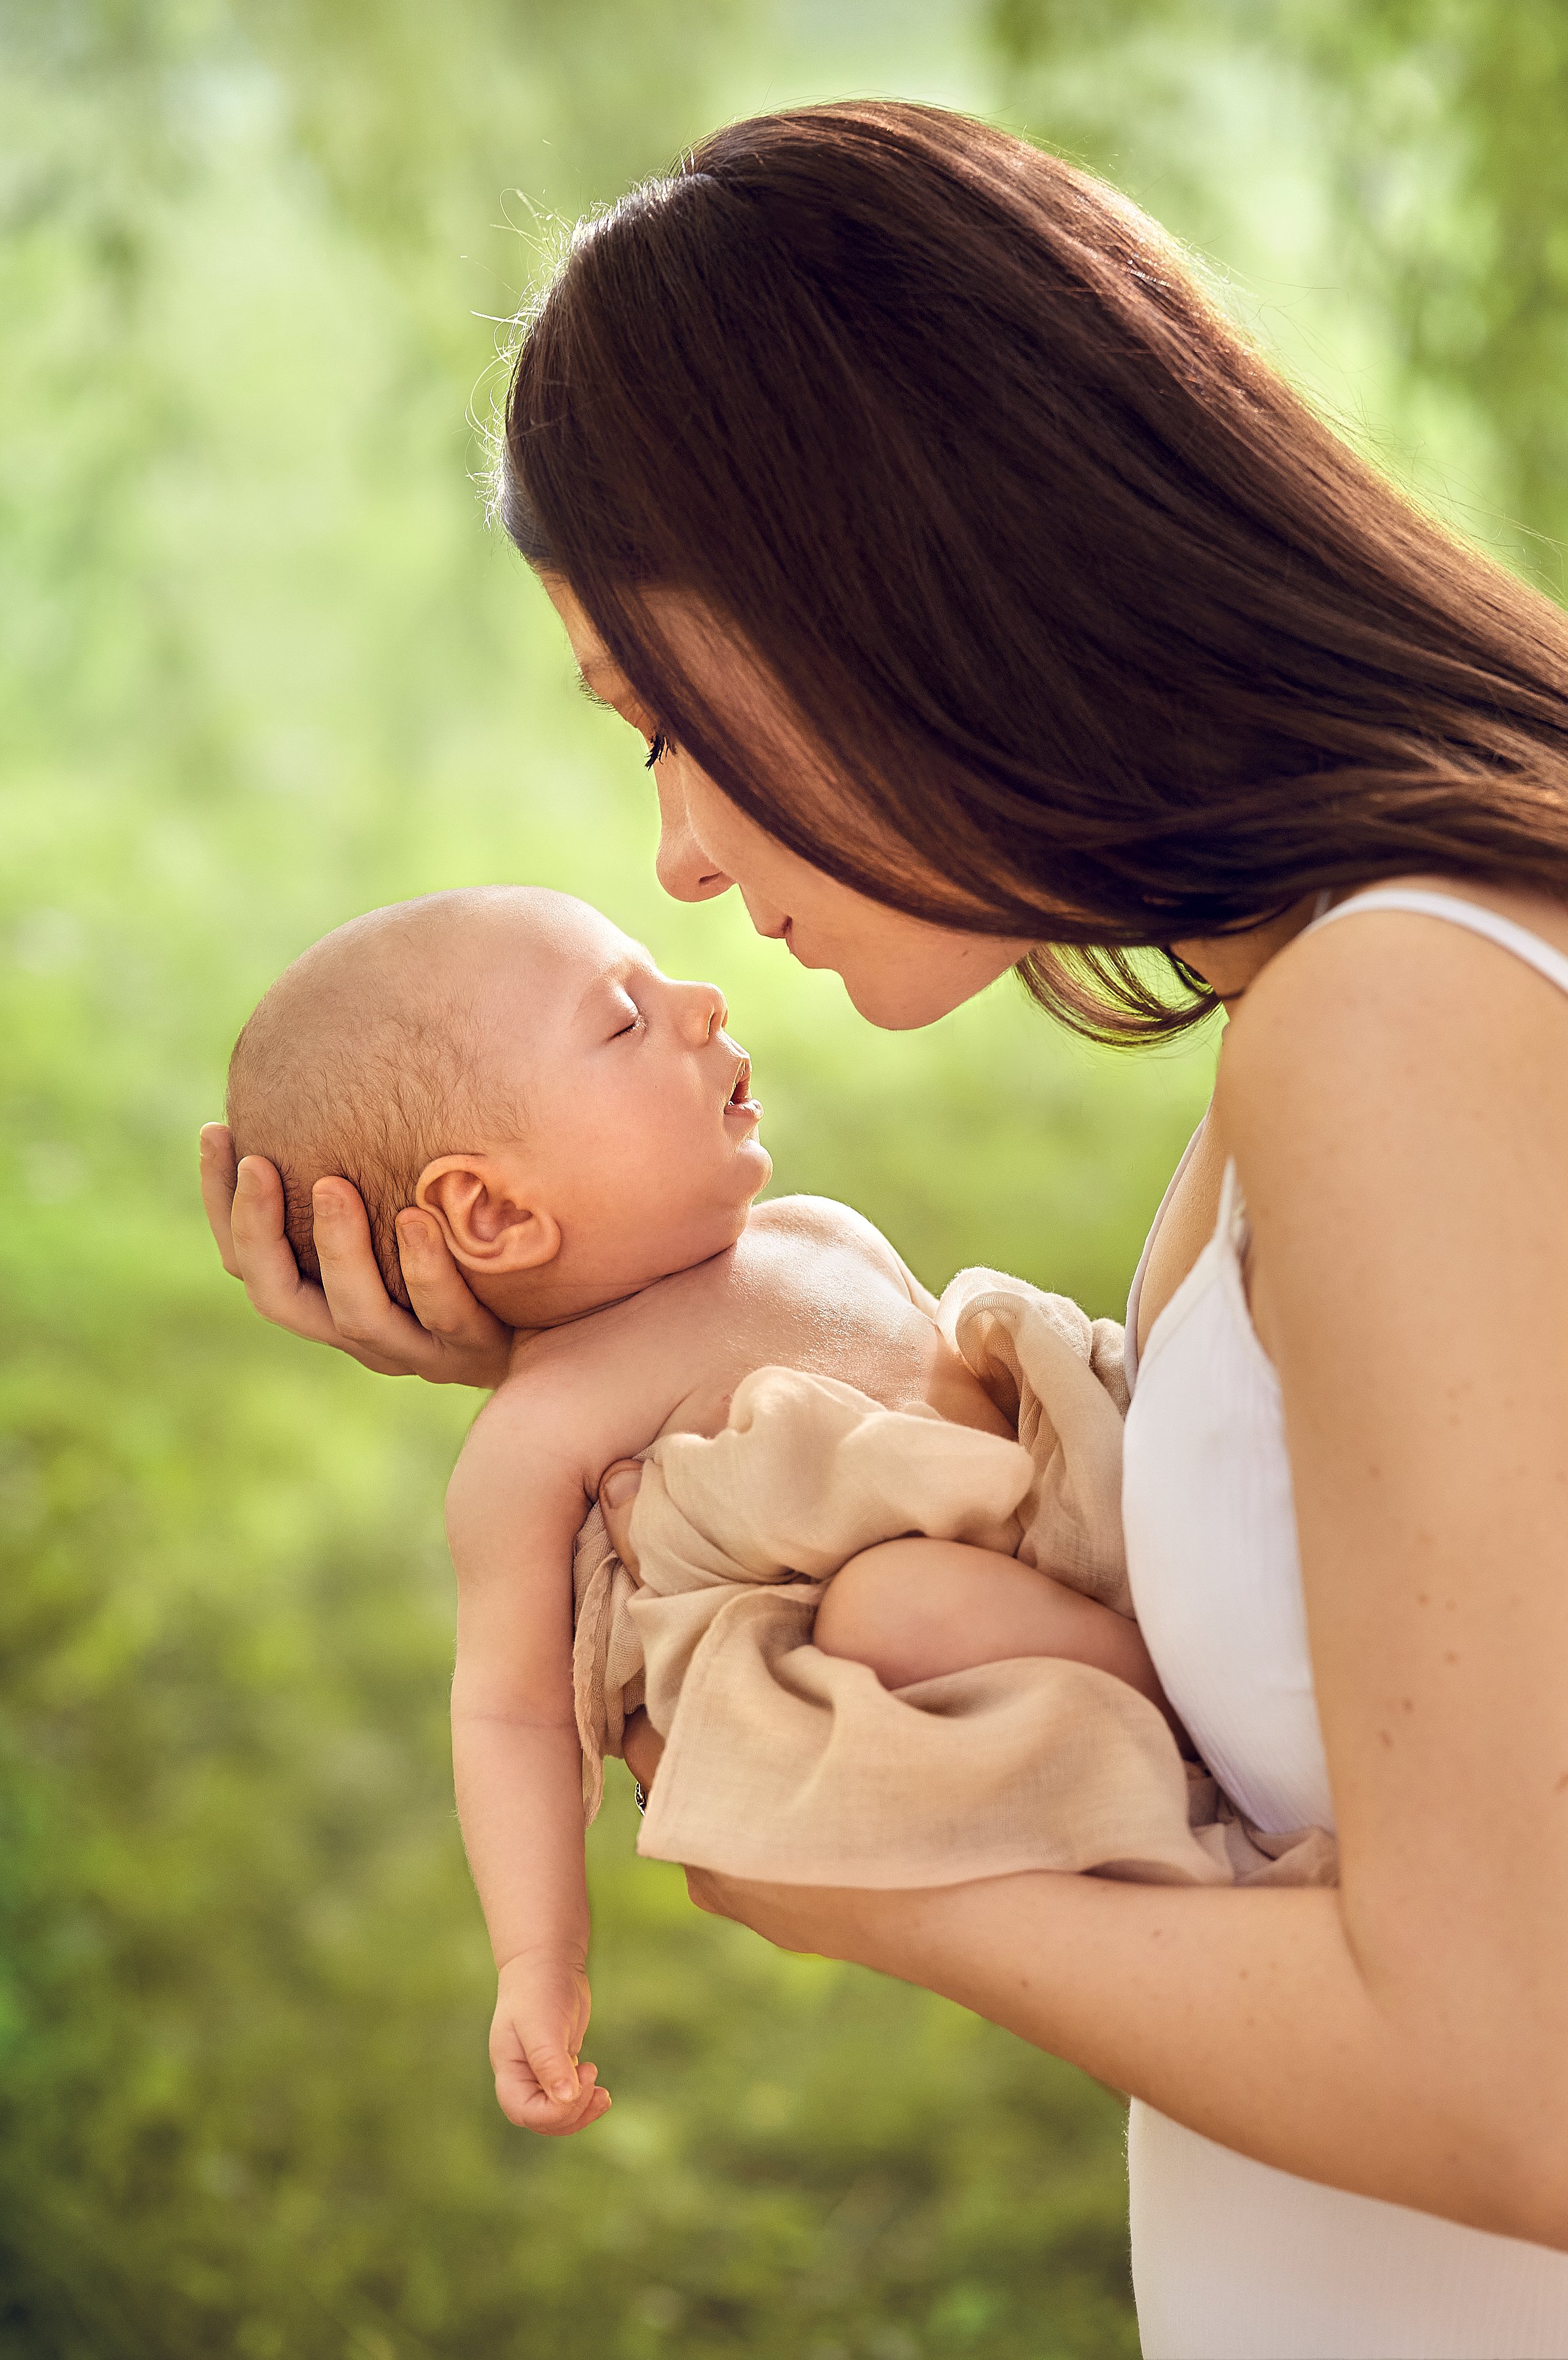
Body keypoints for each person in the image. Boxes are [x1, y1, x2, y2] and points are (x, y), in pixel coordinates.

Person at [202, 102, 1568, 2357]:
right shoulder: (1425, 963)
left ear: (876, 576)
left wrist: (831, 1873)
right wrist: (612, 1358)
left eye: (660, 716)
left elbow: (1539, 2107)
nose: (676, 851)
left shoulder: (1405, 1017)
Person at [221, 883, 1175, 2142]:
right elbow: (508, 1708)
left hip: (1094, 1500)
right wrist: (537, 1960)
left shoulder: (809, 1229)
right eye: (624, 1021)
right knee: (894, 1605)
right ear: (494, 1211)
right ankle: (1186, 1699)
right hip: (985, 1646)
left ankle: (1197, 1607)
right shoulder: (542, 1435)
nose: (701, 1000)